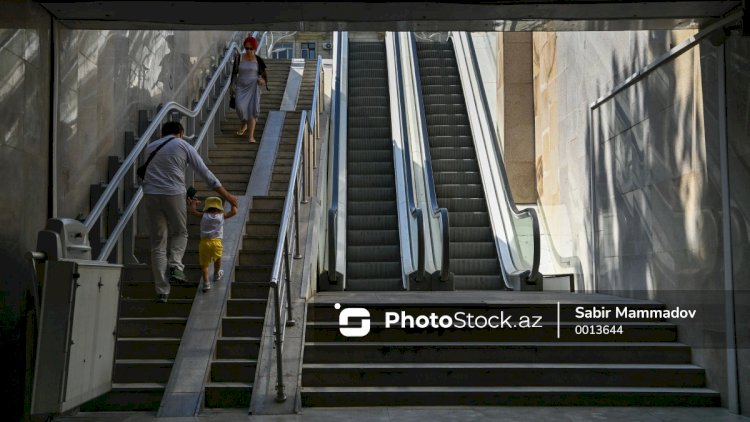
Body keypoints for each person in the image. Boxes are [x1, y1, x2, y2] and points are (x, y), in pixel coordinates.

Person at [142, 121, 238, 303]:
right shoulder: (183, 145)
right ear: (181, 133)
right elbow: (206, 174)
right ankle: (175, 264)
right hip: (173, 192)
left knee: (158, 243)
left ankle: (162, 291)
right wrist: (228, 197)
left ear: (162, 133)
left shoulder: (150, 147)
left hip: (150, 194)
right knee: (180, 232)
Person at [187, 196, 238, 292]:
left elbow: (193, 212)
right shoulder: (221, 216)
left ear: (207, 206)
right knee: (217, 259)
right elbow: (234, 211)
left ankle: (206, 283)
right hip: (216, 242)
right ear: (219, 207)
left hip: (204, 243)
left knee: (204, 264)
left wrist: (193, 203)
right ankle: (216, 274)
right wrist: (233, 202)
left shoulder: (203, 215)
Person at [231, 36, 267, 143]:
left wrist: (261, 80)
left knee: (252, 111)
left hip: (253, 87)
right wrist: (232, 87)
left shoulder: (259, 60)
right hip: (241, 86)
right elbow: (233, 74)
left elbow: (264, 76)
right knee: (239, 107)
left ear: (255, 49)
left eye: (251, 49)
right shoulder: (239, 58)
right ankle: (243, 122)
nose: (249, 51)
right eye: (246, 48)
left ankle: (251, 136)